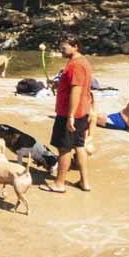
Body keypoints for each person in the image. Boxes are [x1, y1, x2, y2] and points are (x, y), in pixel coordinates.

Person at [43, 35, 93, 194]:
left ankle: (59, 183)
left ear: (75, 46)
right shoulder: (82, 62)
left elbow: (76, 91)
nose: (61, 50)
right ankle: (84, 182)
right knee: (79, 146)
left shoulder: (76, 65)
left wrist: (70, 116)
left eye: (64, 47)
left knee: (64, 148)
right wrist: (58, 84)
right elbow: (75, 85)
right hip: (82, 111)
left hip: (70, 113)